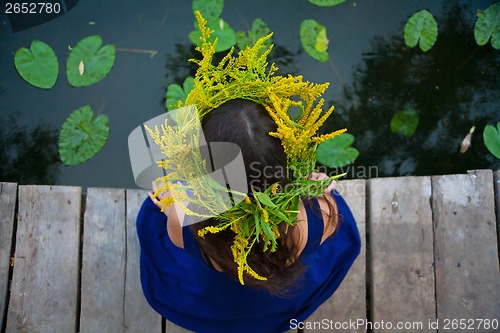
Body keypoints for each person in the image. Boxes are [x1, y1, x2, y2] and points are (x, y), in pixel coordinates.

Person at [136, 12, 361, 333]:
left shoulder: (184, 218)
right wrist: (318, 186)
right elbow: (326, 207)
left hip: (215, 295)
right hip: (277, 298)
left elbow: (170, 215)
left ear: (203, 170)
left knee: (154, 208)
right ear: (285, 165)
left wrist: (168, 195)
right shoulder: (320, 216)